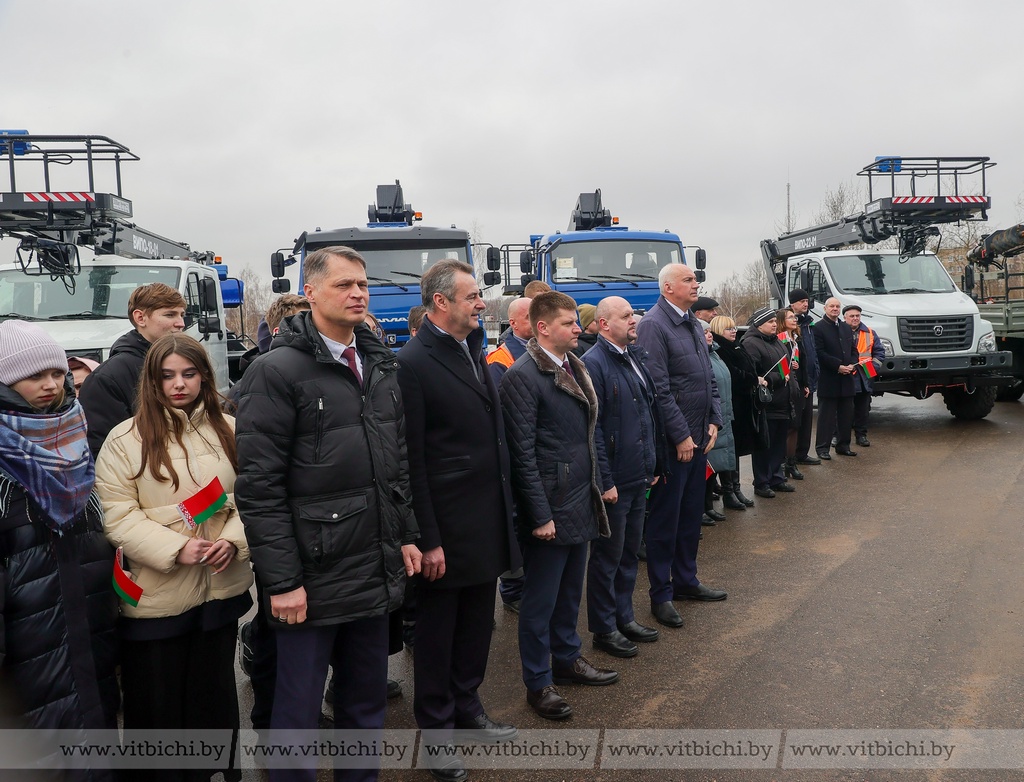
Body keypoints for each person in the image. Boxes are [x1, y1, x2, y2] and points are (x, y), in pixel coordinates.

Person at [233, 246, 421, 782]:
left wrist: (405, 535)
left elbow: (396, 466)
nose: (358, 293)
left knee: (365, 707)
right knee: (296, 715)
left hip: (371, 568)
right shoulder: (275, 372)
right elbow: (260, 488)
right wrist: (283, 582)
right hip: (310, 580)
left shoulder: (379, 364)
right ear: (310, 292)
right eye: (343, 285)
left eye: (362, 284)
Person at [95, 333, 254, 782]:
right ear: (152, 381)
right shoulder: (123, 440)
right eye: (167, 376)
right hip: (155, 599)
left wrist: (234, 541)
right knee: (157, 708)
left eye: (188, 373)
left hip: (220, 593)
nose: (178, 384)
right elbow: (117, 516)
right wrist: (176, 545)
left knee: (212, 699)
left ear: (204, 375)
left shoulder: (232, 429)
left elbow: (253, 500)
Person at [398, 260, 520, 778]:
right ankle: (437, 734)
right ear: (441, 302)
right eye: (472, 295)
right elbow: (413, 460)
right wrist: (427, 537)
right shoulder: (413, 361)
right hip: (444, 528)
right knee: (436, 636)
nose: (481, 302)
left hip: (484, 520)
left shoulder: (474, 349)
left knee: (477, 625)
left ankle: (467, 704)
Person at [0, 321, 119, 779]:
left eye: (57, 373)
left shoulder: (74, 438)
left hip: (89, 644)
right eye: (35, 377)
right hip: (28, 658)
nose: (51, 385)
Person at [500, 291, 616, 722]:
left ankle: (567, 660)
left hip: (580, 498)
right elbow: (521, 455)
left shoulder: (576, 365)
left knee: (570, 593)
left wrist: (601, 484)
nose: (577, 328)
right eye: (568, 323)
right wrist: (539, 515)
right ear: (543, 327)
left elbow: (588, 434)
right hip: (550, 505)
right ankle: (538, 681)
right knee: (540, 601)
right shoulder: (524, 376)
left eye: (575, 322)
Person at [635, 264, 725, 630]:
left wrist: (715, 419)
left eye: (695, 279)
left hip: (699, 440)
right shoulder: (654, 325)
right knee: (665, 523)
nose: (696, 284)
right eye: (688, 280)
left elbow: (708, 378)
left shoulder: (691, 322)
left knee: (690, 519)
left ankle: (686, 580)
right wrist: (679, 435)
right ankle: (661, 594)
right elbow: (659, 388)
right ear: (668, 287)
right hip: (676, 446)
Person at [582, 296, 664, 659]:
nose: (635, 320)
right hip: (614, 481)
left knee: (629, 553)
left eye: (634, 314)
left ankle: (624, 616)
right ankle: (604, 628)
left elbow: (647, 416)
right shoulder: (593, 364)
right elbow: (594, 430)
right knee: (607, 558)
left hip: (637, 475)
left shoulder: (634, 357)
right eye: (626, 316)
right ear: (603, 324)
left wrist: (653, 466)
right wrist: (605, 481)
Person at [79, 283, 187, 456]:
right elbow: (106, 450)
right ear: (140, 318)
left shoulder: (186, 364)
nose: (181, 323)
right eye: (170, 315)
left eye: (182, 315)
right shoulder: (108, 378)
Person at [486, 296, 533, 613]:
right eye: (529, 316)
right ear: (513, 323)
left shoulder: (542, 352)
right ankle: (514, 591)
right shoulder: (499, 359)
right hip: (516, 456)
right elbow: (507, 414)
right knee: (514, 522)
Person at [741, 307, 794, 499]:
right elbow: (751, 374)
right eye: (770, 322)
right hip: (766, 404)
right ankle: (762, 482)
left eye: (774, 321)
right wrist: (776, 378)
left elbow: (785, 366)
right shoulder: (750, 343)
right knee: (764, 445)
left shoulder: (778, 341)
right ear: (758, 324)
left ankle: (776, 478)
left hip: (783, 402)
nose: (774, 324)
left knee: (779, 444)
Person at [709, 316, 760, 509]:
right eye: (728, 329)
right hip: (730, 406)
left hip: (740, 405)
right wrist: (751, 378)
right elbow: (735, 375)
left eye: (733, 328)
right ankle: (729, 490)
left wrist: (751, 377)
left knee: (734, 451)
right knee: (726, 452)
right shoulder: (720, 350)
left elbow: (749, 370)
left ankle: (735, 489)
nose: (733, 331)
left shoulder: (737, 346)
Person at [814, 297, 859, 459]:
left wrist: (853, 364)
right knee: (826, 417)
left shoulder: (846, 328)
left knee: (846, 415)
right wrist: (838, 366)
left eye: (837, 306)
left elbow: (853, 350)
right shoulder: (818, 328)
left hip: (847, 378)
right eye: (832, 306)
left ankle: (843, 445)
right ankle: (822, 448)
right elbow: (819, 353)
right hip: (829, 379)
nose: (835, 309)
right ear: (825, 308)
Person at [705, 322, 742, 513]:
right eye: (704, 332)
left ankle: (730, 493)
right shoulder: (702, 356)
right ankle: (706, 506)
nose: (709, 335)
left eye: (709, 331)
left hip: (724, 413)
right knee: (711, 462)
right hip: (712, 417)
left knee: (724, 458)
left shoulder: (715, 353)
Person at [844, 304, 885, 447]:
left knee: (863, 409)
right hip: (846, 374)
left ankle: (861, 436)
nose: (855, 318)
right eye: (852, 316)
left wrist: (873, 368)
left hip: (865, 375)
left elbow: (879, 353)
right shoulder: (839, 331)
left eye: (857, 316)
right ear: (845, 318)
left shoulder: (869, 332)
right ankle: (838, 436)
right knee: (843, 410)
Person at [788, 290, 822, 466]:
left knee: (807, 419)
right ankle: (790, 457)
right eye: (801, 301)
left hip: (808, 378)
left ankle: (802, 453)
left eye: (806, 301)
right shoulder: (786, 321)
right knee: (795, 421)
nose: (805, 304)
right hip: (795, 380)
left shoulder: (808, 324)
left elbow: (811, 351)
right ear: (792, 303)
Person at [778, 308, 810, 482]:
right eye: (790, 317)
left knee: (796, 425)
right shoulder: (781, 340)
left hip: (797, 384)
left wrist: (805, 383)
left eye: (794, 317)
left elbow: (803, 362)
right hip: (786, 386)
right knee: (789, 426)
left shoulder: (796, 339)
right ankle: (783, 463)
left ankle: (792, 463)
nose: (794, 319)